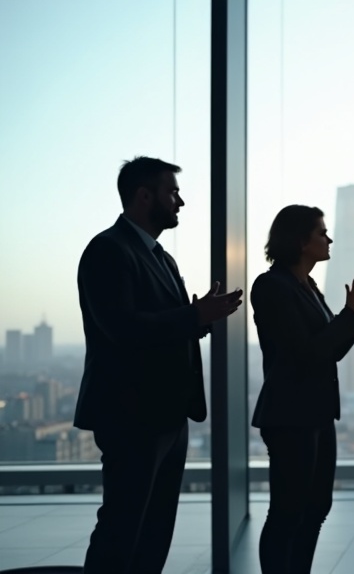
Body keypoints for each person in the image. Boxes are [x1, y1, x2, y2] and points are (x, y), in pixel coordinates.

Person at [76, 156, 243, 573]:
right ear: (143, 196)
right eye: (172, 192)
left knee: (155, 529)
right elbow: (121, 328)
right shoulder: (107, 250)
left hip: (167, 415)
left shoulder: (160, 257)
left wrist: (201, 318)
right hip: (131, 414)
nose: (180, 202)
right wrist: (194, 317)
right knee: (123, 526)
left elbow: (160, 328)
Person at [250, 205, 354, 574]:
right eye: (322, 232)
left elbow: (330, 351)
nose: (329, 238)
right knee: (288, 511)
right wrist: (350, 312)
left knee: (315, 508)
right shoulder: (272, 286)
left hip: (317, 414)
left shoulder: (306, 287)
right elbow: (308, 353)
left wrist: (348, 313)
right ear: (300, 240)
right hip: (291, 416)